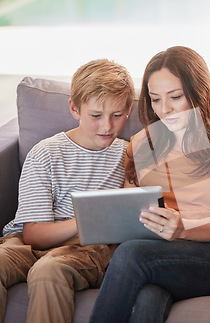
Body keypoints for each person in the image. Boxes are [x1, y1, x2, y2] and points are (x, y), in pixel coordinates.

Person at [90, 46, 210, 323]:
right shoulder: (143, 143)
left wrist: (181, 228)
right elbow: (132, 216)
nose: (164, 110)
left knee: (131, 255)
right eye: (155, 99)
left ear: (198, 92)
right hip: (157, 254)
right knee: (148, 297)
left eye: (175, 97)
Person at [0, 59, 135, 323]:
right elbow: (33, 236)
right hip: (26, 242)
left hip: (86, 248)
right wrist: (86, 219)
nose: (107, 126)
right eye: (96, 115)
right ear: (75, 108)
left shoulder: (128, 154)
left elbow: (126, 225)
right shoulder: (46, 153)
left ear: (128, 109)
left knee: (48, 270)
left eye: (116, 115)